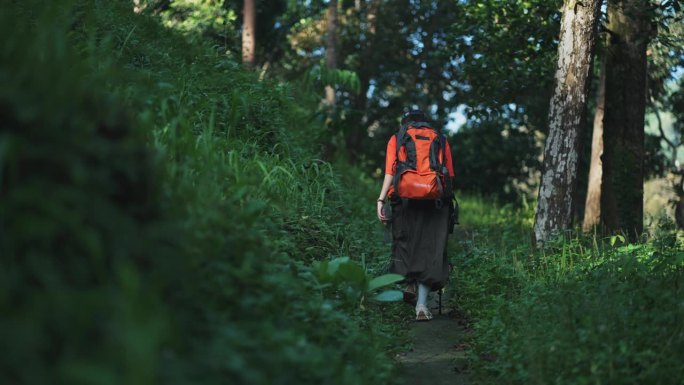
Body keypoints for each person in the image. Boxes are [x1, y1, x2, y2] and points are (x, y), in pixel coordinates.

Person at [376, 109, 455, 321]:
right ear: (425, 123)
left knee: (405, 244)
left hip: (404, 199)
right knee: (430, 249)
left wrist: (381, 200)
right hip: (435, 199)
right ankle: (421, 304)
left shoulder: (398, 137)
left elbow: (390, 172)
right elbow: (449, 174)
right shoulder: (440, 139)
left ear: (406, 122)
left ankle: (409, 282)